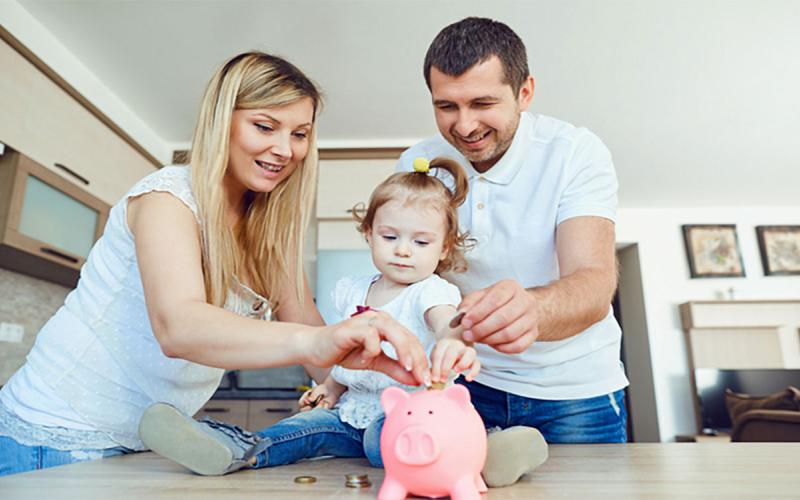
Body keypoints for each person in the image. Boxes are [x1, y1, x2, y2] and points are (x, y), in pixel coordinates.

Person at [0, 51, 430, 477]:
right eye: (265, 126)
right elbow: (179, 326)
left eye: (300, 134)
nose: (285, 149)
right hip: (53, 431)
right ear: (222, 120)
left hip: (139, 440)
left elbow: (305, 321)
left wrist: (382, 389)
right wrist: (316, 341)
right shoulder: (167, 199)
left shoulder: (269, 225)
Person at [139, 157, 482, 475]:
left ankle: (478, 453)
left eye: (421, 242)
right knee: (302, 430)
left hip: (411, 418)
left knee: (383, 444)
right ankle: (234, 448)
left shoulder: (431, 292)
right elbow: (349, 358)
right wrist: (330, 387)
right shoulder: (354, 291)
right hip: (351, 414)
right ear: (369, 234)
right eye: (390, 237)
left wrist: (454, 341)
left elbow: (445, 321)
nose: (403, 250)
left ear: (444, 248)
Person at [397, 17, 629, 486]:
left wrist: (533, 308)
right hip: (464, 386)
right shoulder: (417, 163)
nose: (464, 125)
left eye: (483, 103)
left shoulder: (574, 153)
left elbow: (594, 281)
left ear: (525, 92)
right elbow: (409, 280)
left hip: (575, 396)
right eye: (447, 106)